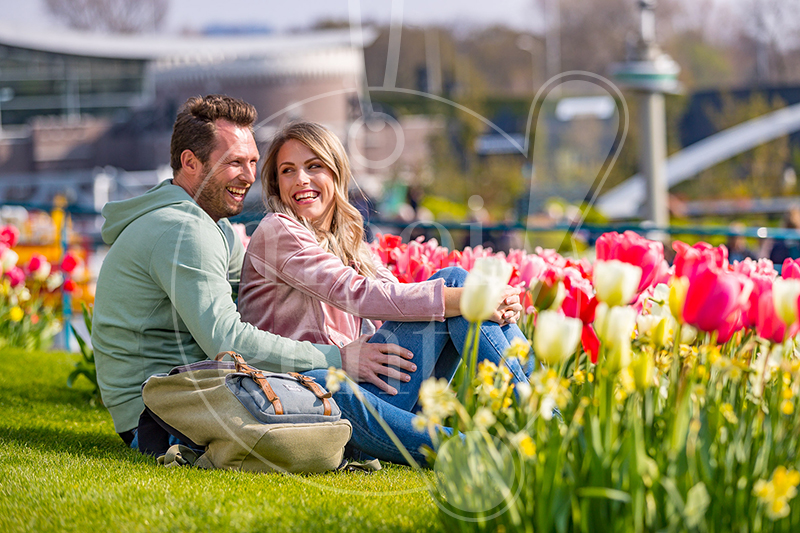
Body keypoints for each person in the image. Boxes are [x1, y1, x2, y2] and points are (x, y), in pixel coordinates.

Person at [91, 95, 409, 454]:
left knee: (451, 285)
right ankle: (443, 442)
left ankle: (437, 435)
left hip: (196, 399)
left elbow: (253, 301)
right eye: (234, 163)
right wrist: (340, 358)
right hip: (164, 421)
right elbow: (228, 341)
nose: (248, 176)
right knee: (336, 385)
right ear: (190, 162)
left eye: (253, 162)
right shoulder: (183, 230)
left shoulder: (217, 228)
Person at [238, 121, 529, 464]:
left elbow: (391, 291)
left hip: (369, 399)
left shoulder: (345, 237)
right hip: (310, 401)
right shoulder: (278, 230)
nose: (301, 178)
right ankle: (500, 445)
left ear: (336, 173)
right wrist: (468, 298)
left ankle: (538, 421)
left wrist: (490, 299)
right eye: (288, 171)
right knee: (453, 286)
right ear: (277, 184)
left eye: (314, 166)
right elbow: (356, 293)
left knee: (455, 283)